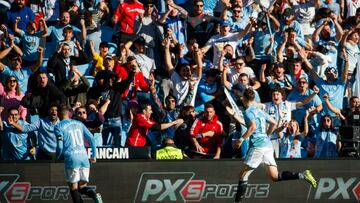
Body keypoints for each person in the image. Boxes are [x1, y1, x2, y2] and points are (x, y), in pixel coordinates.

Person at [233, 88, 317, 203]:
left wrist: (241, 139)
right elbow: (273, 122)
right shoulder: (260, 111)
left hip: (258, 146)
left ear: (245, 99)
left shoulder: (248, 111)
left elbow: (252, 127)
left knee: (242, 175)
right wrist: (267, 135)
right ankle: (303, 175)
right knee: (275, 176)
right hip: (267, 145)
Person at [55, 105, 103, 203]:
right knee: (82, 187)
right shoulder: (79, 123)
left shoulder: (58, 126)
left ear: (58, 114)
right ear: (69, 113)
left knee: (74, 188)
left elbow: (60, 146)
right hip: (84, 158)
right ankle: (94, 194)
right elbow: (92, 139)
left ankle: (93, 195)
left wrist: (58, 157)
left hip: (72, 158)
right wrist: (94, 155)